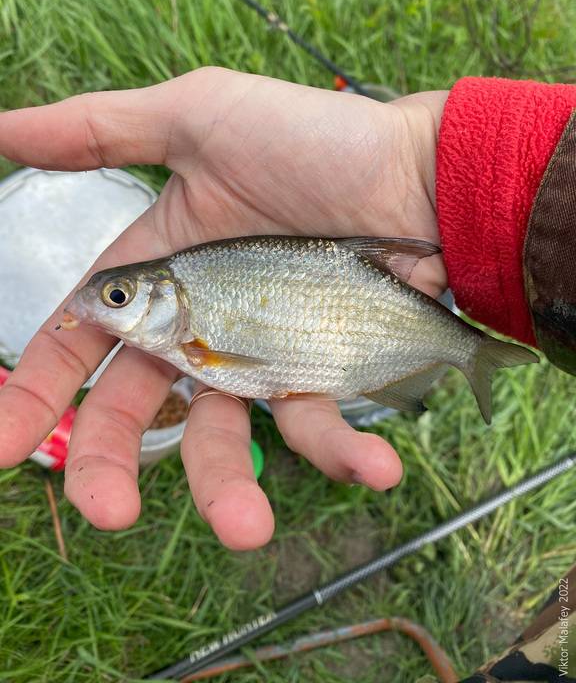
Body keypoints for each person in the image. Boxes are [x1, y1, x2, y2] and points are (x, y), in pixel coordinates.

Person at [1, 68, 575, 680]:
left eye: (118, 298)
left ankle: (468, 350)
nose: (102, 307)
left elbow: (229, 366)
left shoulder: (195, 329)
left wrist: (425, 168)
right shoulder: (186, 320)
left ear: (169, 299)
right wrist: (431, 167)